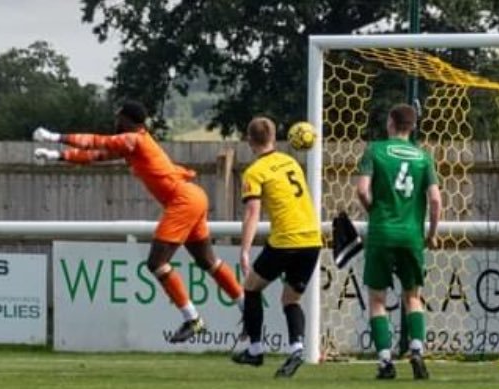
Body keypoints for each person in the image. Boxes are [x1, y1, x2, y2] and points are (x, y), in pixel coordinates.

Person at [31, 100, 244, 342]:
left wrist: (54, 137)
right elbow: (94, 156)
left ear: (126, 119)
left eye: (118, 117)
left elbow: (94, 142)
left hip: (183, 200)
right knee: (208, 262)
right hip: (193, 196)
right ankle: (247, 307)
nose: (115, 122)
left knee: (157, 263)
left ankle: (192, 319)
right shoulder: (134, 143)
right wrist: (56, 155)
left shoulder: (134, 139)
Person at [229, 117, 322, 378]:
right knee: (291, 299)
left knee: (251, 288)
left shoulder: (255, 172)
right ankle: (297, 349)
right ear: (274, 137)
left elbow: (252, 212)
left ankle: (256, 350)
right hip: (312, 240)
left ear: (249, 140)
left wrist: (244, 250)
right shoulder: (291, 162)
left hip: (285, 241)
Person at [355, 104, 442, 380]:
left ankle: (385, 361)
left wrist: (374, 211)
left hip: (382, 232)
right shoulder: (423, 157)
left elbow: (362, 190)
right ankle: (416, 350)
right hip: (411, 235)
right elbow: (436, 200)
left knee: (377, 299)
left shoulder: (375, 150)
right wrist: (432, 233)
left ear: (390, 122)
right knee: (413, 296)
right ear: (413, 126)